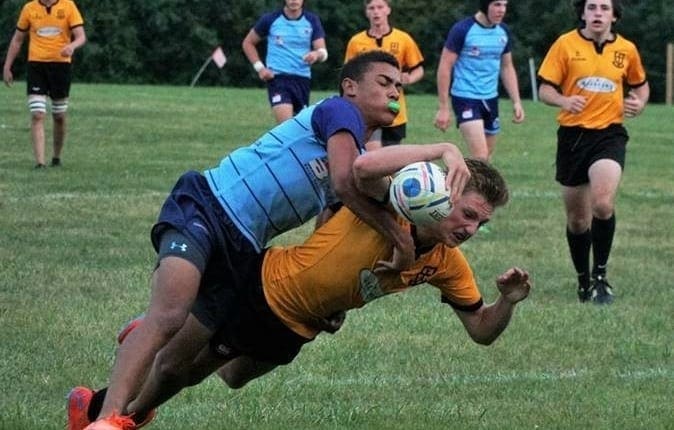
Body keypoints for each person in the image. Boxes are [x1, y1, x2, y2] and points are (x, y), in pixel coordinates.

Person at [70, 50, 471, 430]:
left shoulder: (356, 154)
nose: (394, 92)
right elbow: (345, 182)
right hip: (208, 205)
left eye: (399, 87)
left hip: (244, 248)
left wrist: (330, 293)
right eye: (384, 82)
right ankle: (108, 418)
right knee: (170, 315)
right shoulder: (337, 111)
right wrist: (437, 163)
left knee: (177, 368)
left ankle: (91, 407)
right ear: (349, 86)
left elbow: (332, 219)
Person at [69, 157, 530, 429]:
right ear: (443, 193)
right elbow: (357, 171)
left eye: (481, 224)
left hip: (301, 326)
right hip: (263, 286)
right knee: (178, 369)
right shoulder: (387, 202)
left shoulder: (446, 264)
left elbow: (482, 331)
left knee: (230, 377)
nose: (471, 229)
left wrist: (506, 302)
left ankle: (152, 348)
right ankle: (112, 413)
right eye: (467, 214)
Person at [537, 0, 649, 305]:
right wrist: (563, 101)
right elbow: (545, 89)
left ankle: (601, 277)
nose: (597, 13)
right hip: (573, 138)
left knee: (602, 203)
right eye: (591, 7)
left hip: (609, 135)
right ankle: (583, 280)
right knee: (577, 221)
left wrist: (639, 102)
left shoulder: (626, 49)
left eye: (604, 7)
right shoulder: (565, 44)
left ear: (614, 15)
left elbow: (641, 86)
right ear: (582, 13)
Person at [434, 0, 524, 160]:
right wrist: (443, 107)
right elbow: (445, 67)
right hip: (465, 97)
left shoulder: (503, 31)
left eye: (504, 5)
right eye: (497, 5)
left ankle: (463, 183)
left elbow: (507, 67)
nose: (502, 10)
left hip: (490, 99)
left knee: (485, 158)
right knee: (481, 156)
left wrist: (516, 101)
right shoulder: (462, 30)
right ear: (484, 5)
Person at [2, 0, 86, 169]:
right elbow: (18, 39)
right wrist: (7, 66)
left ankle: (56, 157)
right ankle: (40, 163)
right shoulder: (29, 8)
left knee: (59, 115)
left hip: (61, 66)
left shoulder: (68, 6)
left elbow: (81, 36)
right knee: (37, 113)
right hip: (36, 66)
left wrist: (71, 46)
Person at [344, 0, 425, 149]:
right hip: (366, 107)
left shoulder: (403, 39)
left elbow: (419, 69)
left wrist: (409, 78)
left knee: (391, 160)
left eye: (380, 7)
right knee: (372, 153)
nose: (376, 11)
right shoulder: (356, 42)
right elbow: (348, 74)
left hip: (394, 108)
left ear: (388, 10)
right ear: (366, 12)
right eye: (371, 8)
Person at [242, 0, 328, 124]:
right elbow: (248, 43)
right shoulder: (270, 19)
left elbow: (323, 52)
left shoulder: (311, 20)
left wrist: (316, 54)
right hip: (278, 78)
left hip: (302, 79)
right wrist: (260, 68)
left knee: (300, 127)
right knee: (286, 126)